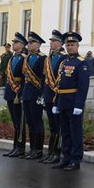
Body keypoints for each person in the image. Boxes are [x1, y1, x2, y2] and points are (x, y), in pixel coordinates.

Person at [51, 32, 90, 171]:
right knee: (65, 132)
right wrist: (56, 103)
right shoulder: (64, 62)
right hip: (62, 101)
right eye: (68, 45)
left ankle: (75, 159)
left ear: (78, 46)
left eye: (72, 45)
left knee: (75, 132)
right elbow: (59, 84)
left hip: (74, 102)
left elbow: (83, 86)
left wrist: (79, 104)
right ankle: (65, 157)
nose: (70, 47)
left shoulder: (81, 63)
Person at [19, 32, 47, 160]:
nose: (29, 45)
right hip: (27, 94)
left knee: (37, 122)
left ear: (38, 44)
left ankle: (38, 149)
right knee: (29, 122)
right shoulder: (27, 58)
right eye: (28, 42)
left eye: (31, 42)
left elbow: (44, 78)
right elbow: (24, 78)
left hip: (36, 94)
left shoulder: (42, 58)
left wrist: (41, 95)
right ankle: (32, 149)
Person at [41, 30, 65, 164]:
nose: (51, 43)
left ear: (60, 43)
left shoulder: (63, 57)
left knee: (58, 125)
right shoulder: (49, 58)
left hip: (57, 95)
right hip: (49, 95)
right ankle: (50, 152)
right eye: (51, 41)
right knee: (52, 125)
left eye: (54, 41)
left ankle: (57, 152)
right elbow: (45, 78)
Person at [3, 33, 27, 158]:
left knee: (19, 121)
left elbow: (24, 78)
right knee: (15, 122)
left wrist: (20, 91)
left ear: (22, 45)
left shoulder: (24, 58)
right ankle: (15, 147)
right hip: (10, 92)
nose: (13, 45)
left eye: (15, 43)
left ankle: (20, 147)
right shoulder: (12, 58)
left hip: (17, 92)